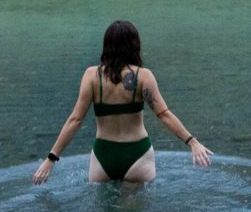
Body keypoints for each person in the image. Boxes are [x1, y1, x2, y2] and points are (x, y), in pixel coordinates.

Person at [33, 20, 212, 184]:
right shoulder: (143, 76)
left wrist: (51, 159)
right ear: (135, 45)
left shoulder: (92, 76)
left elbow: (75, 120)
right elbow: (163, 114)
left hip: (104, 156)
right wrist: (192, 142)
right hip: (137, 154)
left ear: (106, 46)